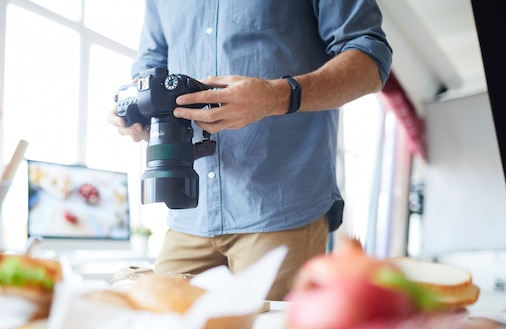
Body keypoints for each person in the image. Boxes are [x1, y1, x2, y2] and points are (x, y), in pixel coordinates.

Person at [108, 0, 393, 301]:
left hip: (282, 211)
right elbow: (148, 68)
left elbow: (371, 61)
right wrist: (133, 110)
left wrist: (277, 96)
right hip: (188, 215)